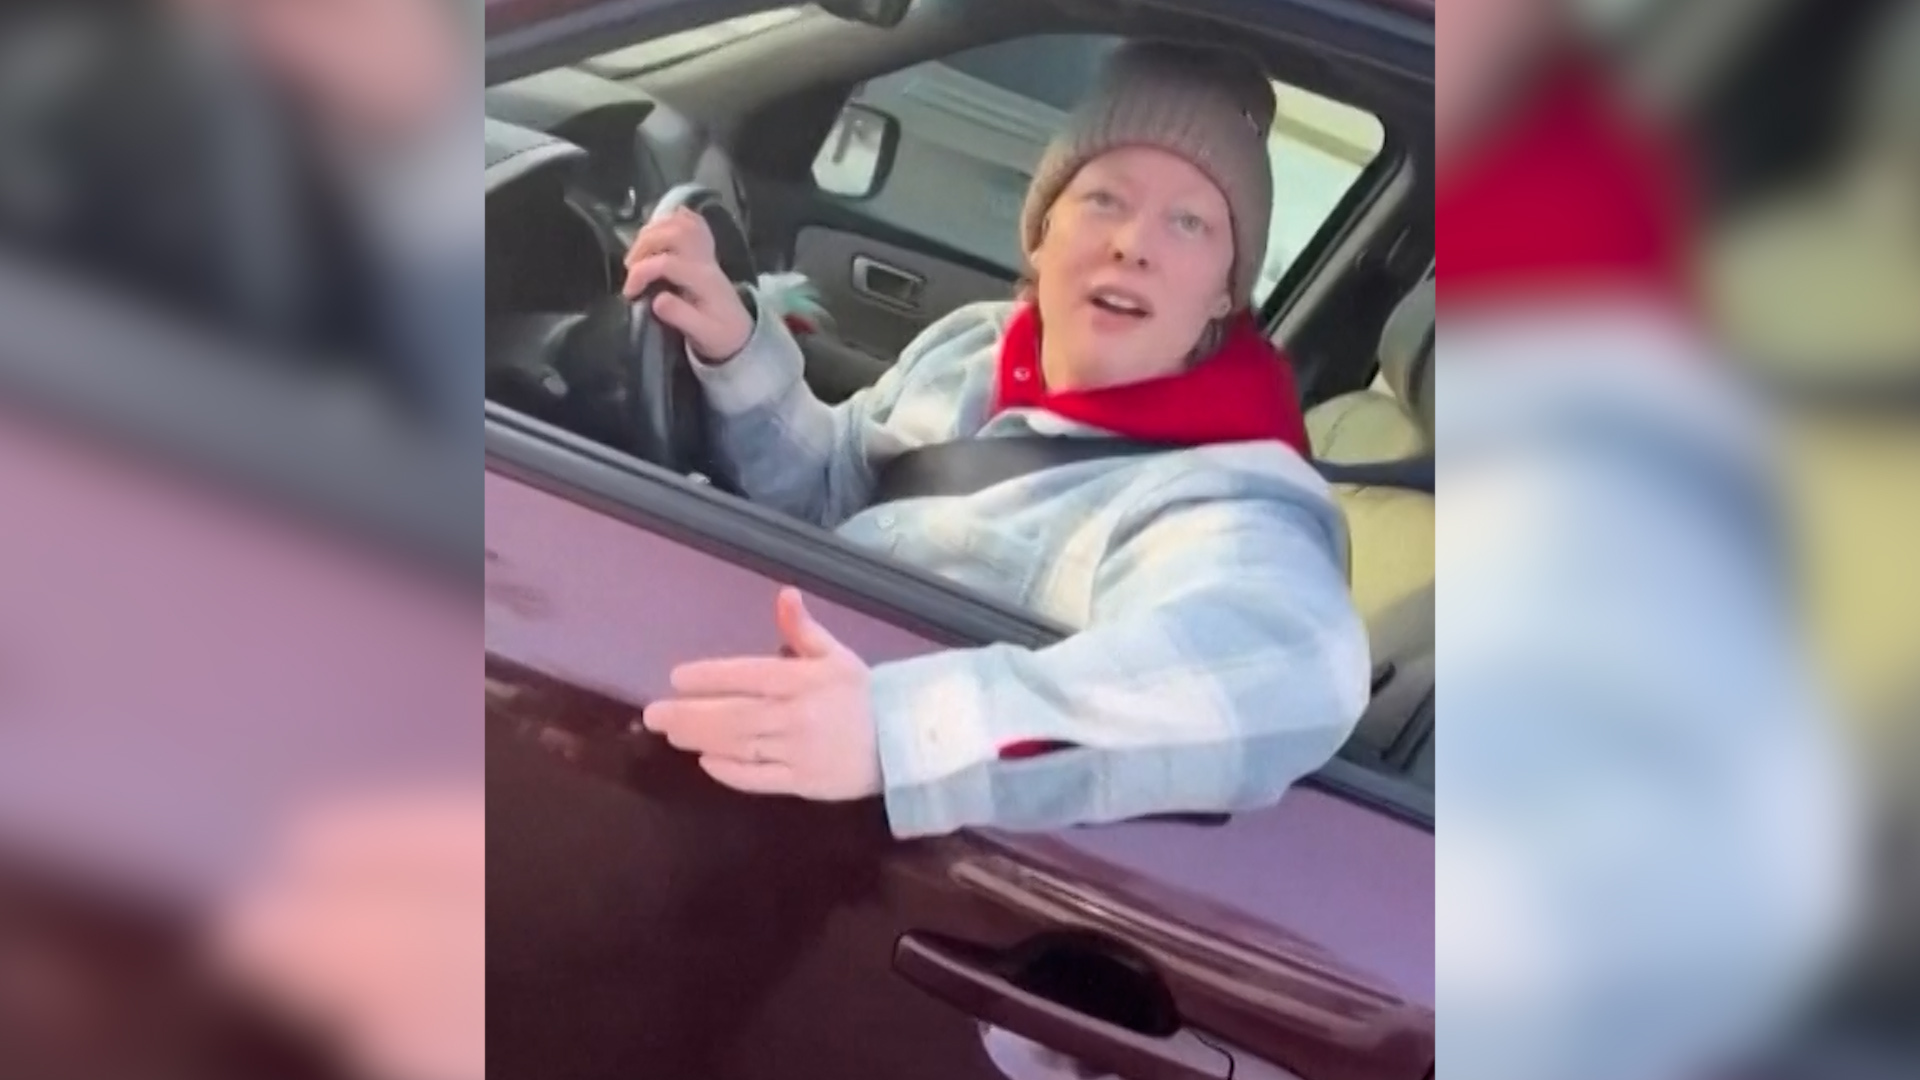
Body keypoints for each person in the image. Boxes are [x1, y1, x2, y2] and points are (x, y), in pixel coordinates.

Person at [628, 42, 1370, 837]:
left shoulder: (1221, 492)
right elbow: (833, 493)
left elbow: (1296, 666)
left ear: (1226, 291)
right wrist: (737, 351)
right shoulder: (977, 345)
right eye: (1105, 199)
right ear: (1042, 232)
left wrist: (902, 733)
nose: (1134, 244)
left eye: (1189, 223)